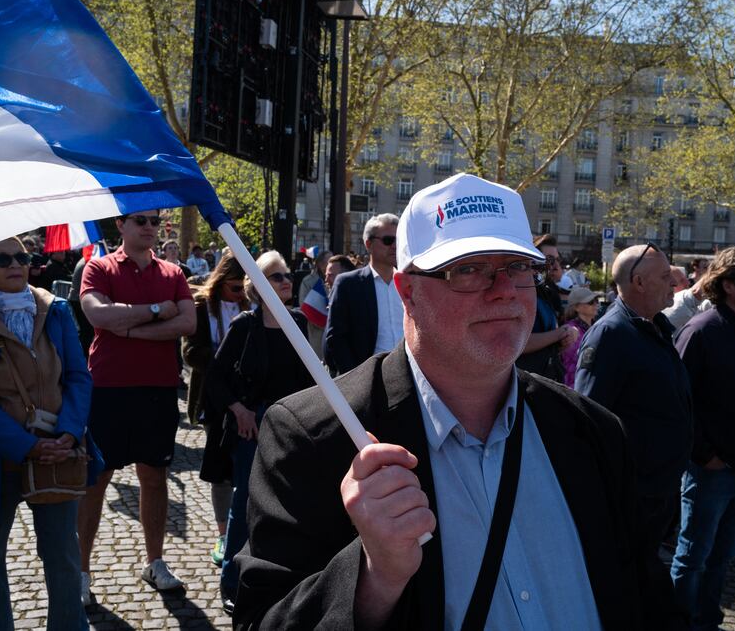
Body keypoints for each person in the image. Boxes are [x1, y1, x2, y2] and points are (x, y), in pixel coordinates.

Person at [233, 173, 646, 629]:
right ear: (407, 292)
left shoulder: (593, 432)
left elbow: (647, 597)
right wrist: (374, 576)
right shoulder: (315, 435)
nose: (505, 289)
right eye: (468, 269)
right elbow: (262, 620)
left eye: (518, 267)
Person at [0, 236, 97, 630]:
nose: (17, 263)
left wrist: (67, 432)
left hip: (57, 453)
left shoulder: (56, 310)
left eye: (23, 256)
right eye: (4, 258)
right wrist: (27, 446)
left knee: (62, 553)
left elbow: (79, 377)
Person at [78, 210, 197, 603]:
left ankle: (155, 560)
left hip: (159, 388)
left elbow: (188, 324)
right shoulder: (98, 267)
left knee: (155, 477)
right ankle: (80, 570)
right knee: (96, 480)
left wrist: (126, 327)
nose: (150, 226)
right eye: (141, 220)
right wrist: (156, 311)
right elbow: (97, 313)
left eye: (155, 220)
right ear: (122, 226)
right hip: (108, 388)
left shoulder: (173, 273)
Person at [575, 243, 692, 628]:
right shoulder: (610, 335)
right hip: (633, 493)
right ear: (639, 282)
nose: (675, 284)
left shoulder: (653, 326)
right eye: (664, 277)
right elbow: (588, 419)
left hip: (658, 488)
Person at [670, 245, 735, 631]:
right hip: (712, 473)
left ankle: (707, 620)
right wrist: (704, 455)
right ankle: (681, 622)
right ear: (729, 285)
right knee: (693, 556)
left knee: (723, 555)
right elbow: (677, 402)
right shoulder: (701, 332)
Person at [204, 251, 314, 612]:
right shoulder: (244, 326)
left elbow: (309, 378)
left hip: (290, 426)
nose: (287, 281)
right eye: (277, 276)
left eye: (287, 275)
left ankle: (280, 579)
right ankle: (232, 581)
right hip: (252, 427)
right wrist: (238, 410)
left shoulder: (296, 321)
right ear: (260, 286)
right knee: (245, 503)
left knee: (289, 504)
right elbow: (215, 378)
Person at [182, 254, 251, 567]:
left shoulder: (249, 306)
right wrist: (225, 352)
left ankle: (245, 532)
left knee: (247, 470)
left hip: (246, 397)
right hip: (212, 399)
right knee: (220, 472)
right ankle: (224, 533)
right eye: (236, 288)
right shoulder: (200, 307)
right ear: (221, 281)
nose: (240, 295)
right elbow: (190, 353)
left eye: (244, 289)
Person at [324, 214, 404, 375]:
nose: (395, 246)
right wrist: (355, 379)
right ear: (369, 244)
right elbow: (335, 338)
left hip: (406, 376)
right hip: (366, 379)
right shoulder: (348, 284)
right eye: (388, 240)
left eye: (399, 240)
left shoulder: (409, 282)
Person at [515, 234, 577, 381]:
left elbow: (552, 341)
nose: (555, 266)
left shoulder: (549, 292)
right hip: (525, 380)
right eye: (549, 260)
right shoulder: (520, 291)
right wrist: (560, 334)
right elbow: (516, 343)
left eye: (557, 259)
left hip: (548, 378)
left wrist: (567, 336)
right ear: (532, 260)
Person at [559, 286, 601, 387]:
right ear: (576, 307)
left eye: (596, 301)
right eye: (590, 302)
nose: (595, 304)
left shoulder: (597, 326)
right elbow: (573, 365)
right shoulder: (570, 330)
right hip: (575, 389)